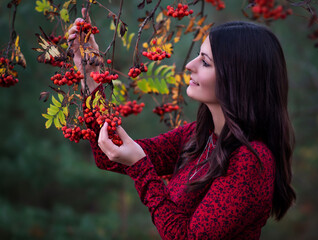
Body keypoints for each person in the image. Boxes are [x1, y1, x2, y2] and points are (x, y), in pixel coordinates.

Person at [67, 8, 296, 240]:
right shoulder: (199, 136)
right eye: (198, 55)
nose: (190, 65)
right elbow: (110, 154)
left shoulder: (251, 161)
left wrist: (141, 167)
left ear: (237, 78)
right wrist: (90, 73)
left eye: (205, 62)